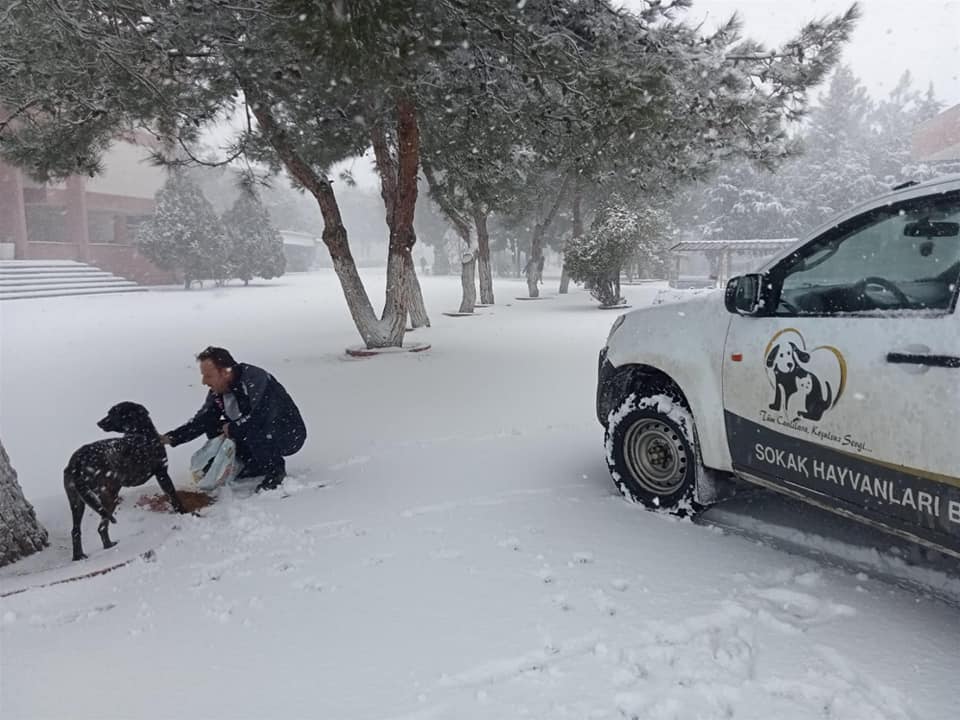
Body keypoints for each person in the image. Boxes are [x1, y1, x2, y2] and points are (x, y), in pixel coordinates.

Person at [162, 347, 306, 492]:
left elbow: (261, 416)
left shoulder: (255, 378)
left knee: (252, 430)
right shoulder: (218, 391)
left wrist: (233, 427)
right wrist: (170, 438)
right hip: (254, 430)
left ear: (225, 372)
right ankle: (251, 465)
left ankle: (275, 472)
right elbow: (203, 420)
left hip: (287, 433)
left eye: (208, 376)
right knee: (213, 426)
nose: (204, 382)